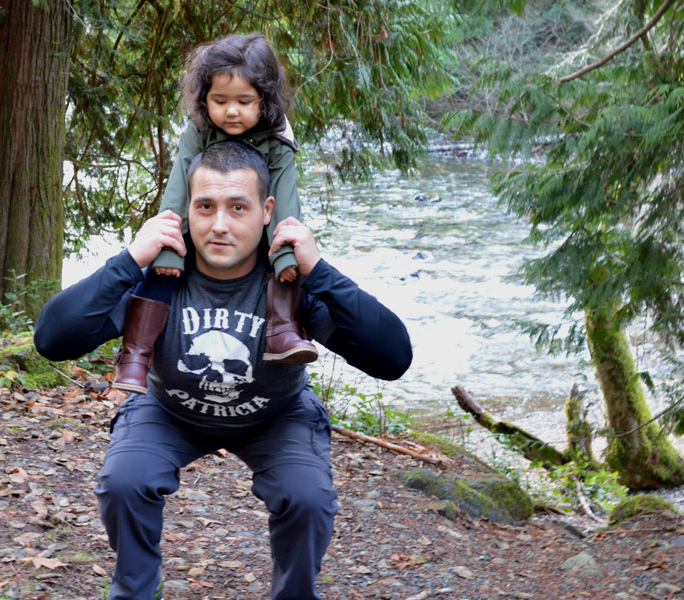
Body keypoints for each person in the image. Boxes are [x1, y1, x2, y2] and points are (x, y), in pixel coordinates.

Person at [33, 141, 412, 600]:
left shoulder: (290, 282)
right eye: (205, 206)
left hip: (276, 414)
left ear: (267, 209)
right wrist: (130, 259)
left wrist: (320, 271)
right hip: (170, 408)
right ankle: (134, 589)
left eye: (238, 207)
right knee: (125, 481)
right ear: (185, 209)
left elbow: (393, 358)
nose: (219, 225)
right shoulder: (160, 275)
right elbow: (52, 340)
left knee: (308, 498)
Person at [112, 33, 315, 396]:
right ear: (205, 100)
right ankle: (135, 354)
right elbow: (178, 188)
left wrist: (285, 253)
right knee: (158, 275)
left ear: (264, 100)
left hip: (258, 231)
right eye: (220, 101)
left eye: (244, 101)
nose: (231, 111)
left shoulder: (278, 137)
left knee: (287, 265)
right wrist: (170, 247)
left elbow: (285, 198)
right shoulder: (200, 130)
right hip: (199, 224)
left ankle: (284, 330)